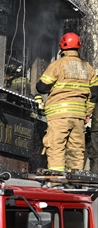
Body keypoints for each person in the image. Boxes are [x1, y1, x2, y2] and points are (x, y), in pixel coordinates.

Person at [38, 32, 98, 173]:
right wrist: (87, 113)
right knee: (76, 149)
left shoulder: (57, 65)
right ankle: (74, 180)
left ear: (62, 47)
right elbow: (95, 93)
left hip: (59, 116)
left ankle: (56, 181)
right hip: (78, 117)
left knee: (56, 146)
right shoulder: (88, 68)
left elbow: (41, 87)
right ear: (78, 47)